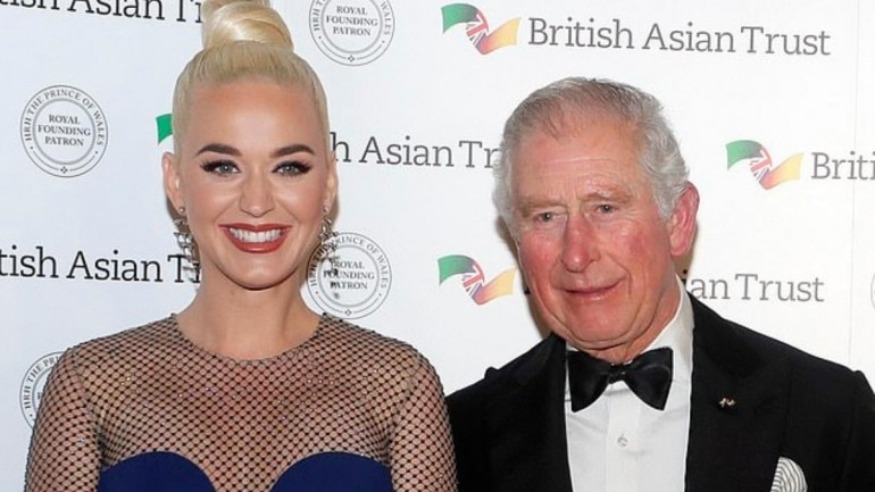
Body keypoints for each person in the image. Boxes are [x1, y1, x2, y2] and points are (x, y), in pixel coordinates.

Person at [24, 0, 456, 490]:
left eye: (289, 167)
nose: (256, 201)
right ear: (175, 181)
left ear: (329, 183)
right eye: (223, 166)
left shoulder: (395, 385)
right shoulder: (93, 384)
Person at [447, 77, 875, 492]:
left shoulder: (827, 413)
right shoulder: (460, 435)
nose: (576, 253)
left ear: (677, 220)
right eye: (546, 216)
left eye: (605, 208)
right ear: (516, 239)